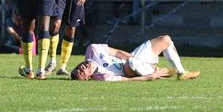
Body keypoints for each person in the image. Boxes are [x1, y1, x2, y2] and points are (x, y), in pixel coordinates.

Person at [70, 35, 201, 81]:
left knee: (165, 39)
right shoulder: (103, 76)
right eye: (81, 73)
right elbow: (126, 80)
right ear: (87, 78)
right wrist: (148, 77)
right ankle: (152, 71)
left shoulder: (92, 49)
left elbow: (116, 52)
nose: (80, 68)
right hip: (130, 69)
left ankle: (182, 73)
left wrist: (137, 59)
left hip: (133, 58)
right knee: (131, 63)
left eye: (77, 68)